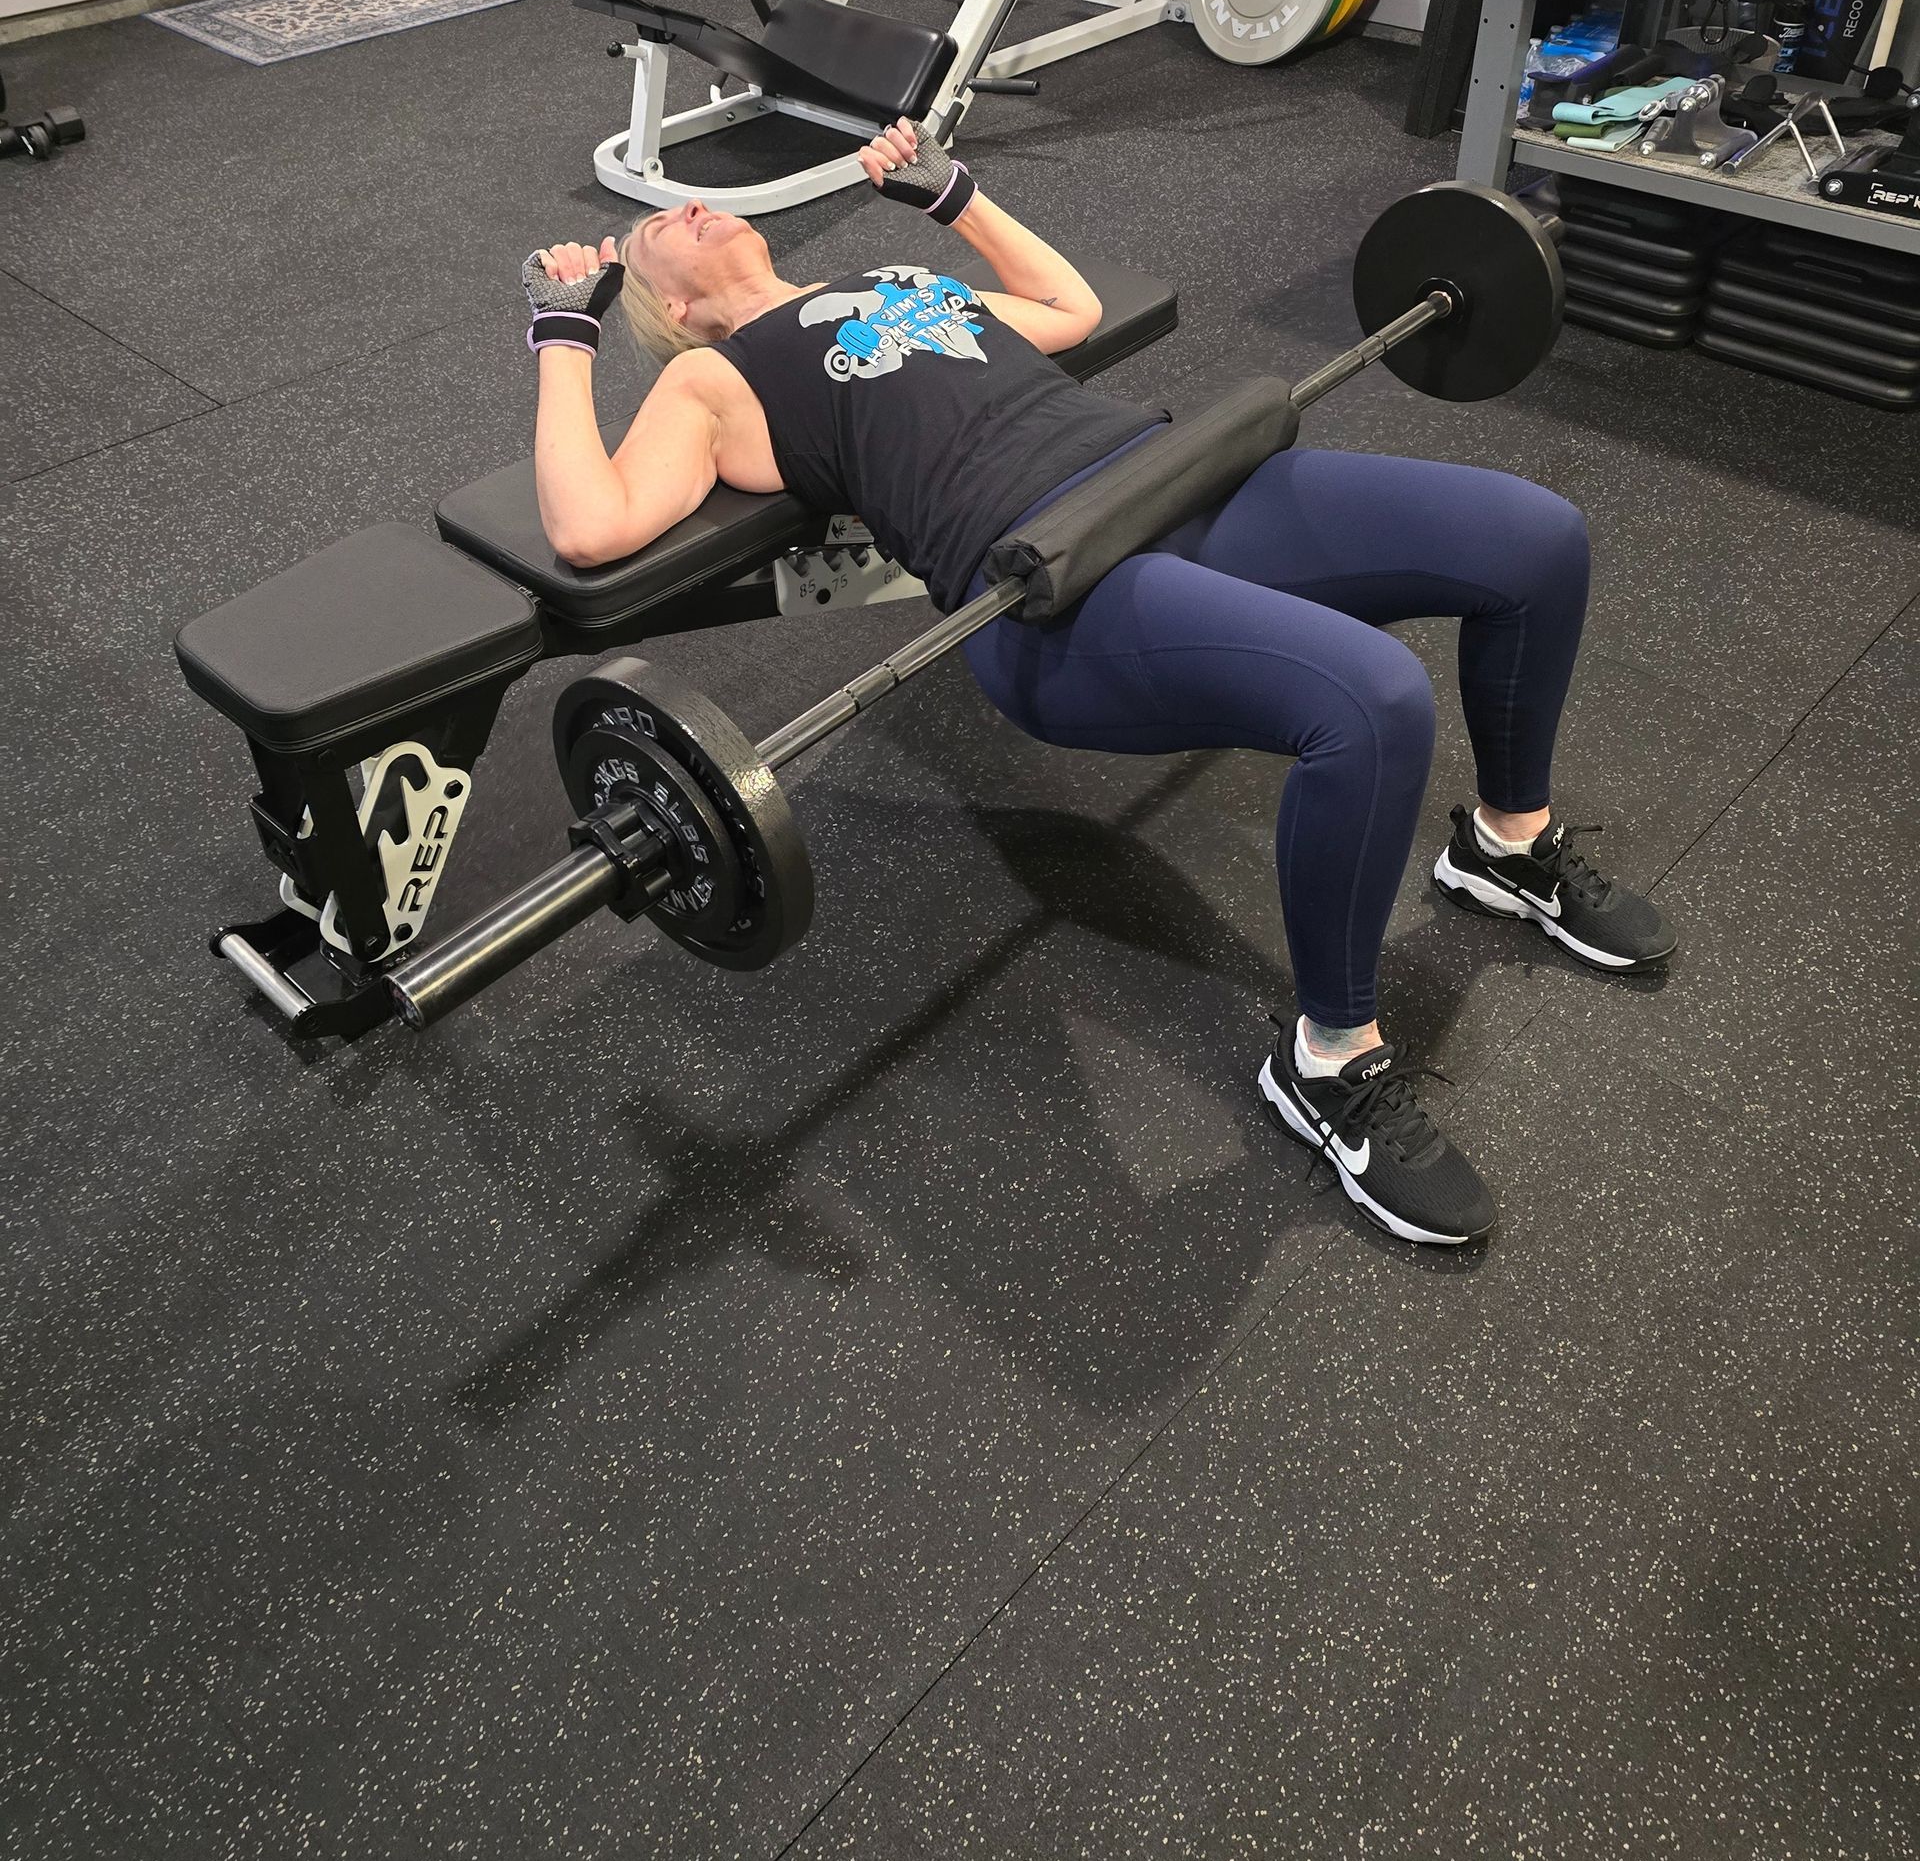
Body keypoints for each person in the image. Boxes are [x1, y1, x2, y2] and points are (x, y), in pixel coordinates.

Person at [524, 121, 1674, 1248]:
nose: (678, 205)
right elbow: (589, 526)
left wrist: (955, 198)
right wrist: (565, 337)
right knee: (1372, 701)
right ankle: (1328, 1062)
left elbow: (1067, 310)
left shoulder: (887, 274)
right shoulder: (711, 382)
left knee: (1538, 539)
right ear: (670, 304)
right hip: (1045, 587)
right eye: (651, 228)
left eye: (682, 199)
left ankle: (1507, 847)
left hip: (1176, 474)